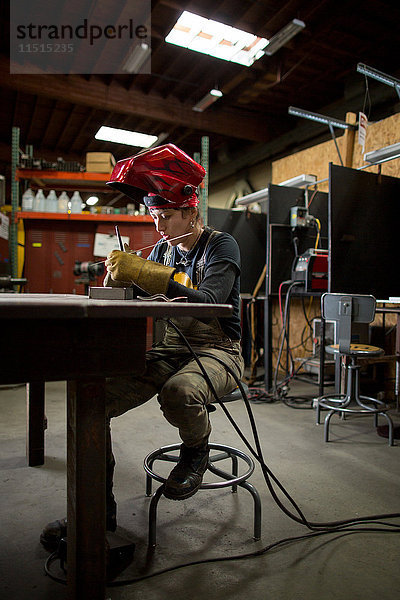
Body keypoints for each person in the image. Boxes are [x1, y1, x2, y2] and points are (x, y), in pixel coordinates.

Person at [40, 144, 244, 549]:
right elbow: (135, 297)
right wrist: (119, 281)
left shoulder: (221, 246)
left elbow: (210, 303)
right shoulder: (165, 250)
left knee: (180, 392)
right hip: (172, 348)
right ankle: (99, 510)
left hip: (218, 348)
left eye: (166, 215)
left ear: (191, 211)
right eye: (154, 216)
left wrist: (151, 276)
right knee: (94, 398)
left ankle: (196, 452)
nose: (160, 225)